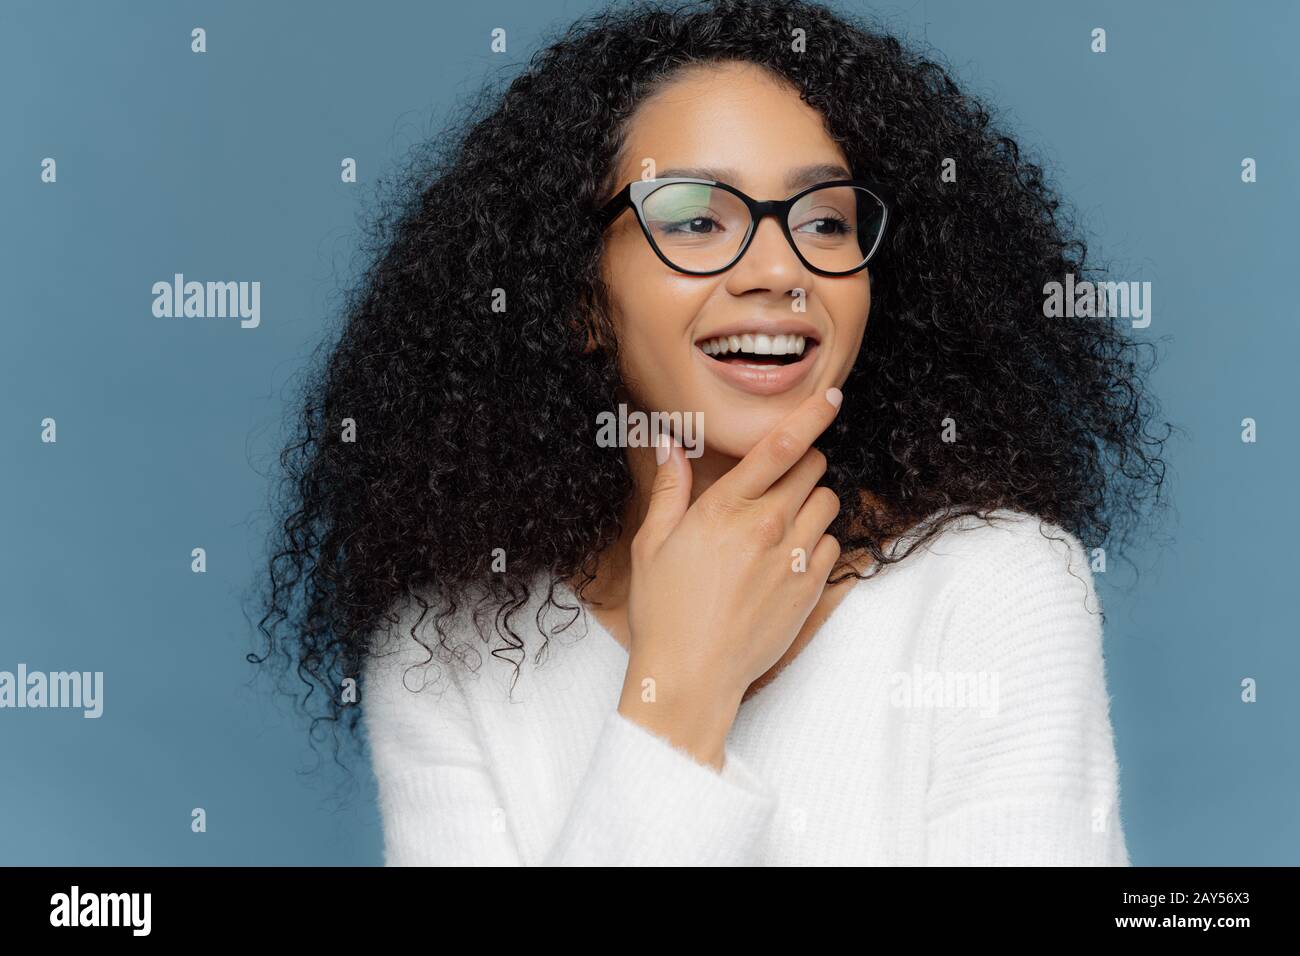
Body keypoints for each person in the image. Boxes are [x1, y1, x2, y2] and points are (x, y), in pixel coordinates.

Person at [254, 0, 1171, 865]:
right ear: (579, 297)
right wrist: (681, 690)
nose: (779, 270)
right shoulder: (448, 648)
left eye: (825, 220)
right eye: (694, 218)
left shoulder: (994, 585)